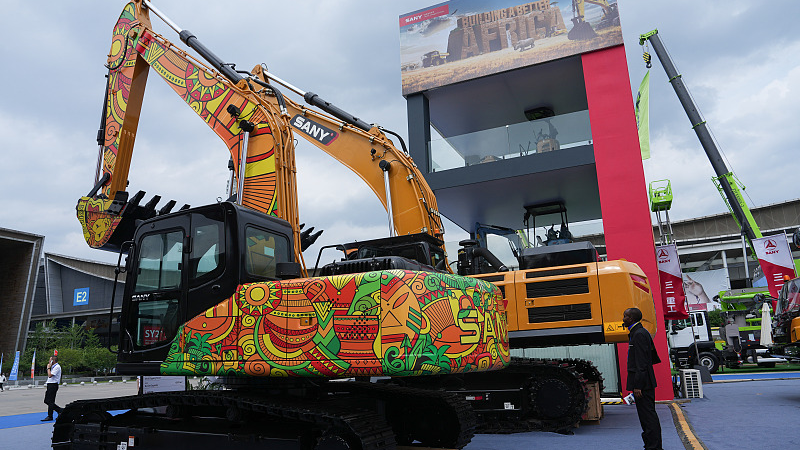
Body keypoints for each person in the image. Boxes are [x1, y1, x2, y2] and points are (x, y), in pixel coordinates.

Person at [623, 307, 663, 450]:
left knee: (648, 417)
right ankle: (651, 445)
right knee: (646, 417)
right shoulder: (639, 332)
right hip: (645, 381)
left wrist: (638, 385)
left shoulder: (638, 334)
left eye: (625, 316)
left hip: (643, 384)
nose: (623, 318)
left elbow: (641, 362)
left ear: (631, 319)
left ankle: (654, 447)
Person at [41, 356, 63, 421]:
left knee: (50, 401)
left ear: (52, 361)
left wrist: (48, 368)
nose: (49, 361)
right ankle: (59, 410)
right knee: (47, 401)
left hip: (53, 385)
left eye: (50, 360)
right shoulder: (54, 367)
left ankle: (51, 415)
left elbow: (50, 375)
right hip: (50, 385)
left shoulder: (57, 367)